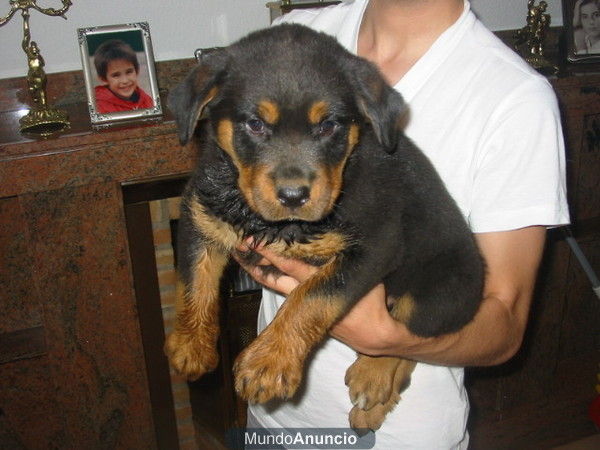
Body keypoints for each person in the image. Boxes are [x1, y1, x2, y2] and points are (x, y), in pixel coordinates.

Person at [235, 1, 570, 448]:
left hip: (400, 436)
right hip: (272, 416)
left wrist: (390, 340)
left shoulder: (514, 97)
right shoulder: (293, 33)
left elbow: (503, 324)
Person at [93, 39, 154, 113]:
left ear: (137, 71)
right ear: (104, 79)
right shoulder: (99, 108)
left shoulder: (147, 100)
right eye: (116, 75)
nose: (125, 81)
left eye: (129, 72)